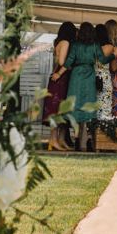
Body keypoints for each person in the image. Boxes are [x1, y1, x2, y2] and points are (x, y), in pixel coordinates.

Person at [62, 22, 115, 151]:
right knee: (89, 107)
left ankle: (77, 140)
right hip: (89, 76)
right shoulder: (95, 45)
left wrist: (58, 73)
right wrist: (114, 55)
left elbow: (68, 62)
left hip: (76, 77)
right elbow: (102, 60)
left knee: (76, 107)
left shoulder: (75, 45)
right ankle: (89, 141)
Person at [43, 22, 77, 151]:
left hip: (58, 76)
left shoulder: (57, 42)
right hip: (61, 77)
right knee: (58, 110)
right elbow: (63, 62)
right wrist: (74, 66)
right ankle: (54, 139)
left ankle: (60, 140)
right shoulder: (66, 43)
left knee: (61, 111)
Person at [94, 24, 115, 121]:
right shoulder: (110, 47)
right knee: (105, 106)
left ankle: (92, 133)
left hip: (93, 77)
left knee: (93, 106)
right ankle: (102, 133)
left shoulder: (92, 46)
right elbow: (106, 62)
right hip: (104, 77)